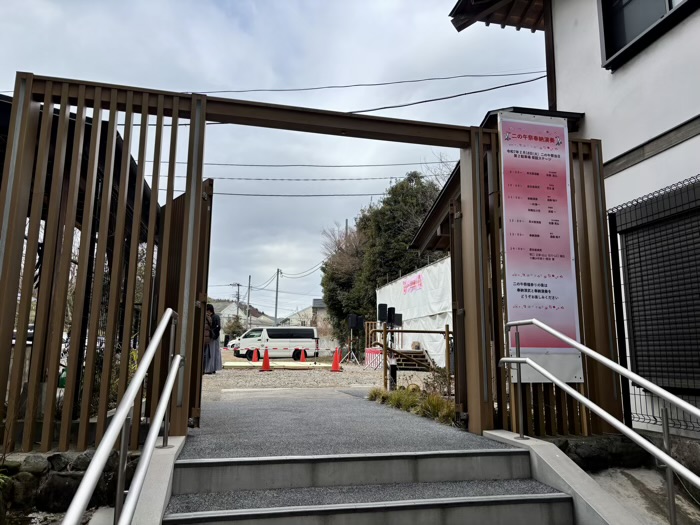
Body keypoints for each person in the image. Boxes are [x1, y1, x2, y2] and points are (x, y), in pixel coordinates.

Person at [203, 304, 223, 374]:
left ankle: (210, 368)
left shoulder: (213, 317)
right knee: (214, 353)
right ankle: (213, 368)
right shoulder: (215, 317)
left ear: (209, 310)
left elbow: (217, 327)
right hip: (213, 336)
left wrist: (213, 335)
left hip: (212, 337)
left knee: (211, 353)